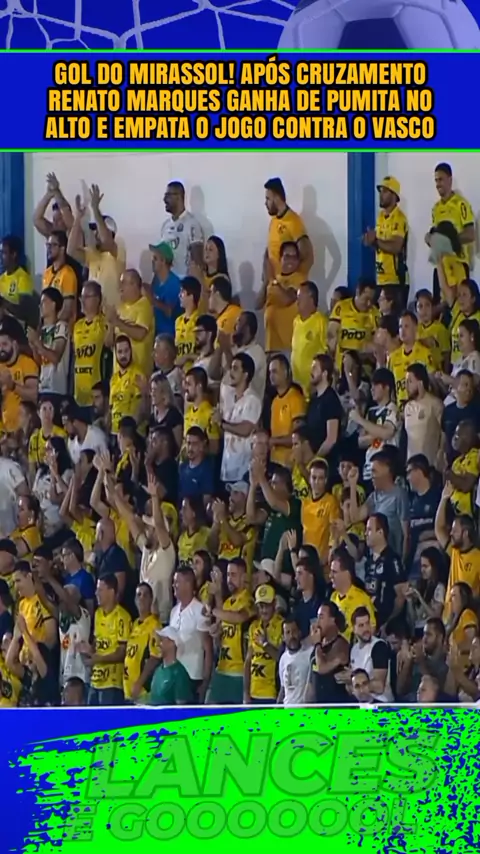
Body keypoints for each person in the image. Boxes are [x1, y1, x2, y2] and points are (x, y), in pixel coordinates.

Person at [68, 184, 126, 308]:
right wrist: (78, 217)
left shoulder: (118, 250)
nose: (95, 234)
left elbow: (106, 241)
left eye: (98, 231)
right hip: (93, 316)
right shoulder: (92, 254)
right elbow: (71, 250)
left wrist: (95, 209)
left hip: (112, 315)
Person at [208, 558, 255, 705]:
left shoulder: (249, 600)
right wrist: (216, 633)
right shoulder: (228, 602)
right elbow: (221, 629)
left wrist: (212, 611)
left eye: (233, 575)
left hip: (238, 673)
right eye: (228, 575)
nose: (229, 579)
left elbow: (239, 617)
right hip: (221, 669)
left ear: (243, 577)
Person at [427, 162, 475, 304]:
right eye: (436, 180)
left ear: (450, 180)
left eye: (441, 179)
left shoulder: (461, 204)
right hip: (441, 265)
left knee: (459, 306)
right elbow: (435, 237)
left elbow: (471, 234)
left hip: (458, 264)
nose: (438, 184)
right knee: (441, 307)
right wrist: (430, 239)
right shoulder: (435, 208)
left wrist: (449, 241)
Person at [82, 574, 131, 706]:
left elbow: (122, 653)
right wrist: (88, 650)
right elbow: (97, 643)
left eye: (100, 590)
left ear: (111, 592)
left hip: (112, 684)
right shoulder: (98, 614)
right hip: (95, 681)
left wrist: (98, 659)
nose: (96, 593)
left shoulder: (122, 617)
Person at [349, 455, 410, 562]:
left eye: (374, 471)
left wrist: (403, 561)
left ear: (387, 471)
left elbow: (406, 534)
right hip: (375, 559)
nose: (371, 476)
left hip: (392, 559)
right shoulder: (374, 496)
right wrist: (353, 485)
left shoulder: (399, 495)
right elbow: (355, 517)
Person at [363, 176, 409, 311]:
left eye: (385, 191)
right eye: (380, 191)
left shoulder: (399, 218)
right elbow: (380, 245)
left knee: (392, 318)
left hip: (395, 279)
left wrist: (375, 241)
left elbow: (396, 247)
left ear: (394, 195)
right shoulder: (380, 217)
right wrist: (369, 240)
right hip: (380, 278)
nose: (380, 195)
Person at [169, 566, 213, 703]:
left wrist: (205, 682)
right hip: (174, 676)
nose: (173, 585)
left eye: (177, 582)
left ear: (188, 584)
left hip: (192, 678)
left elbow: (208, 649)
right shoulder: (174, 611)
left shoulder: (200, 611)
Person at [219, 353, 262, 484]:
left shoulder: (252, 400)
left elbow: (246, 429)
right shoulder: (229, 398)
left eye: (236, 369)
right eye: (231, 368)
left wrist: (222, 424)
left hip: (243, 471)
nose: (231, 372)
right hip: (227, 469)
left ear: (245, 375)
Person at [355, 367, 399, 486]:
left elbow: (387, 433)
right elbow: (361, 441)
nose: (372, 389)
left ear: (386, 387)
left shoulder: (392, 409)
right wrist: (377, 433)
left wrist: (360, 420)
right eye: (371, 386)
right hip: (368, 468)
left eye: (375, 385)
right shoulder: (371, 411)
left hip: (386, 468)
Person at [263, 177, 313, 280]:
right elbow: (270, 252)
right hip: (274, 284)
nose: (265, 203)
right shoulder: (273, 221)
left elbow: (308, 255)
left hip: (287, 286)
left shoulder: (293, 221)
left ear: (277, 198)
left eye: (268, 199)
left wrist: (293, 281)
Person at [261, 241, 304, 354]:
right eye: (287, 256)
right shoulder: (275, 279)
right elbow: (258, 304)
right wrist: (266, 281)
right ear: (280, 259)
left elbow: (288, 299)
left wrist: (272, 279)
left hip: (288, 346)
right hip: (271, 345)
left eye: (294, 257)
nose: (290, 261)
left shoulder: (299, 279)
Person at [28, 287, 70, 402]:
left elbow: (55, 358)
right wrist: (33, 346)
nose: (40, 306)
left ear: (53, 304)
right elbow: (39, 362)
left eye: (43, 302)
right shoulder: (42, 330)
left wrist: (37, 342)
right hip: (43, 387)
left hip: (57, 390)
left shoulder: (61, 326)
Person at [244, 584, 283, 705]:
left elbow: (282, 658)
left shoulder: (282, 625)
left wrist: (265, 644)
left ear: (274, 604)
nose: (264, 610)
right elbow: (248, 661)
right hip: (253, 692)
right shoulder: (253, 627)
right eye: (261, 606)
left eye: (267, 605)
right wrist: (246, 693)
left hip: (272, 693)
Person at [123, 583, 161, 704]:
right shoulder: (134, 624)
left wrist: (139, 683)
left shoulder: (155, 625)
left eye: (145, 595)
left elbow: (155, 657)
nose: (142, 598)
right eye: (139, 595)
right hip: (128, 688)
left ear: (151, 599)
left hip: (142, 691)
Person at [328, 279, 378, 371]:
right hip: (340, 366)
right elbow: (331, 335)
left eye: (371, 300)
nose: (369, 303)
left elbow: (377, 343)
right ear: (358, 292)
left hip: (364, 368)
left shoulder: (375, 313)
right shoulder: (341, 307)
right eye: (366, 299)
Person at [306, 601, 350, 705]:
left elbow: (322, 668)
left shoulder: (340, 644)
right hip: (318, 707)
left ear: (332, 620)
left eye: (321, 617)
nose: (317, 622)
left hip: (336, 707)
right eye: (317, 617)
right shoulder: (319, 645)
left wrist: (317, 644)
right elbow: (312, 679)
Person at [388, 312, 435, 408]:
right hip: (400, 410)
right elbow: (391, 388)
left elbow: (432, 384)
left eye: (406, 326)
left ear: (415, 328)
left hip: (420, 408)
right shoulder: (393, 357)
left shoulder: (425, 353)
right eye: (400, 327)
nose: (402, 330)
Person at [72, 280, 107, 412]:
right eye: (81, 297)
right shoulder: (77, 326)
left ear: (97, 299)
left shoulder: (103, 323)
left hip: (96, 394)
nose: (82, 301)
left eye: (86, 297)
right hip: (79, 394)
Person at [329, 549, 376, 641]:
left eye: (334, 572)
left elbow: (372, 629)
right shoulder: (333, 597)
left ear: (347, 573)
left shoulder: (361, 599)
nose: (330, 576)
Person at [160, 180, 204, 276]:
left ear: (178, 197)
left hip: (184, 282)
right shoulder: (165, 225)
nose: (164, 199)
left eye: (168, 195)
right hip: (168, 282)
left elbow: (198, 263)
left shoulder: (192, 224)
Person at [0, 323, 39, 433]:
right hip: (4, 431)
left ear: (14, 344)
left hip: (24, 430)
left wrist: (12, 386)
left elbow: (35, 395)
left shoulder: (27, 363)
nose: (1, 349)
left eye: (4, 344)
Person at [291, 280, 328, 398]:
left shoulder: (321, 321)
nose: (297, 302)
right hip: (297, 386)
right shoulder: (296, 321)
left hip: (313, 388)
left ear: (311, 299)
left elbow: (327, 354)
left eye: (300, 298)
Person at [301, 460, 340, 569]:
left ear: (326, 480)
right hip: (305, 562)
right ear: (309, 479)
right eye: (314, 478)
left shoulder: (331, 502)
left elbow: (334, 534)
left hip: (322, 563)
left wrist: (329, 556)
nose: (316, 482)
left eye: (320, 478)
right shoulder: (305, 503)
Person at [350, 607, 394, 702]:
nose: (366, 628)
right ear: (354, 629)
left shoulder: (379, 646)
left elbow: (379, 686)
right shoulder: (354, 650)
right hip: (362, 702)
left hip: (381, 702)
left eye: (367, 623)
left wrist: (353, 681)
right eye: (361, 625)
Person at [268, 354, 306, 467]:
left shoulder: (295, 398)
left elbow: (299, 436)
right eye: (270, 372)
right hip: (275, 461)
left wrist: (274, 441)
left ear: (285, 372)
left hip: (290, 464)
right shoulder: (274, 402)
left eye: (275, 371)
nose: (271, 376)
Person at [404, 363, 443, 466]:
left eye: (410, 381)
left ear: (420, 383)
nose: (406, 386)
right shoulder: (407, 407)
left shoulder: (435, 404)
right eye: (405, 382)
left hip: (430, 465)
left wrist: (440, 454)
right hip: (411, 466)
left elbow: (444, 433)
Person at [143, 626, 194, 706]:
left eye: (162, 640)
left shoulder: (180, 674)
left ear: (172, 643)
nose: (158, 644)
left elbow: (181, 708)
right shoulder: (158, 670)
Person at [305, 354, 343, 460]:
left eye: (315, 368)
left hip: (328, 463)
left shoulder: (331, 400)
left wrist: (316, 459)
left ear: (324, 373)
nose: (311, 371)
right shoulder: (313, 399)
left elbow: (331, 438)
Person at [43, 229, 78, 326]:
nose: (49, 249)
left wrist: (53, 324)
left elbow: (67, 309)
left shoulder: (68, 274)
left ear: (62, 248)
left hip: (62, 326)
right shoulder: (47, 273)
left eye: (53, 245)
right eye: (48, 245)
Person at [147, 241, 181, 336]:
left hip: (169, 334)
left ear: (163, 261)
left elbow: (171, 312)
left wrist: (152, 300)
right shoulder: (156, 279)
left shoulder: (174, 283)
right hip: (156, 332)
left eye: (155, 258)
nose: (152, 261)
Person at [278, 618, 312, 705]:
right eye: (288, 632)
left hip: (305, 710)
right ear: (283, 637)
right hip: (287, 709)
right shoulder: (283, 659)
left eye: (294, 631)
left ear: (299, 633)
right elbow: (283, 689)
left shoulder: (310, 654)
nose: (292, 636)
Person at [175, 276, 202, 371]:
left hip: (195, 371)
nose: (179, 295)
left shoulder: (199, 320)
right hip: (179, 372)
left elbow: (204, 355)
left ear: (191, 295)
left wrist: (187, 357)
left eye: (182, 292)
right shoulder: (178, 321)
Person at [0, 235, 33, 305]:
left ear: (13, 254)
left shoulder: (23, 278)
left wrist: (2, 301)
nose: (0, 257)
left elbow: (24, 308)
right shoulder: (1, 278)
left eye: (4, 253)